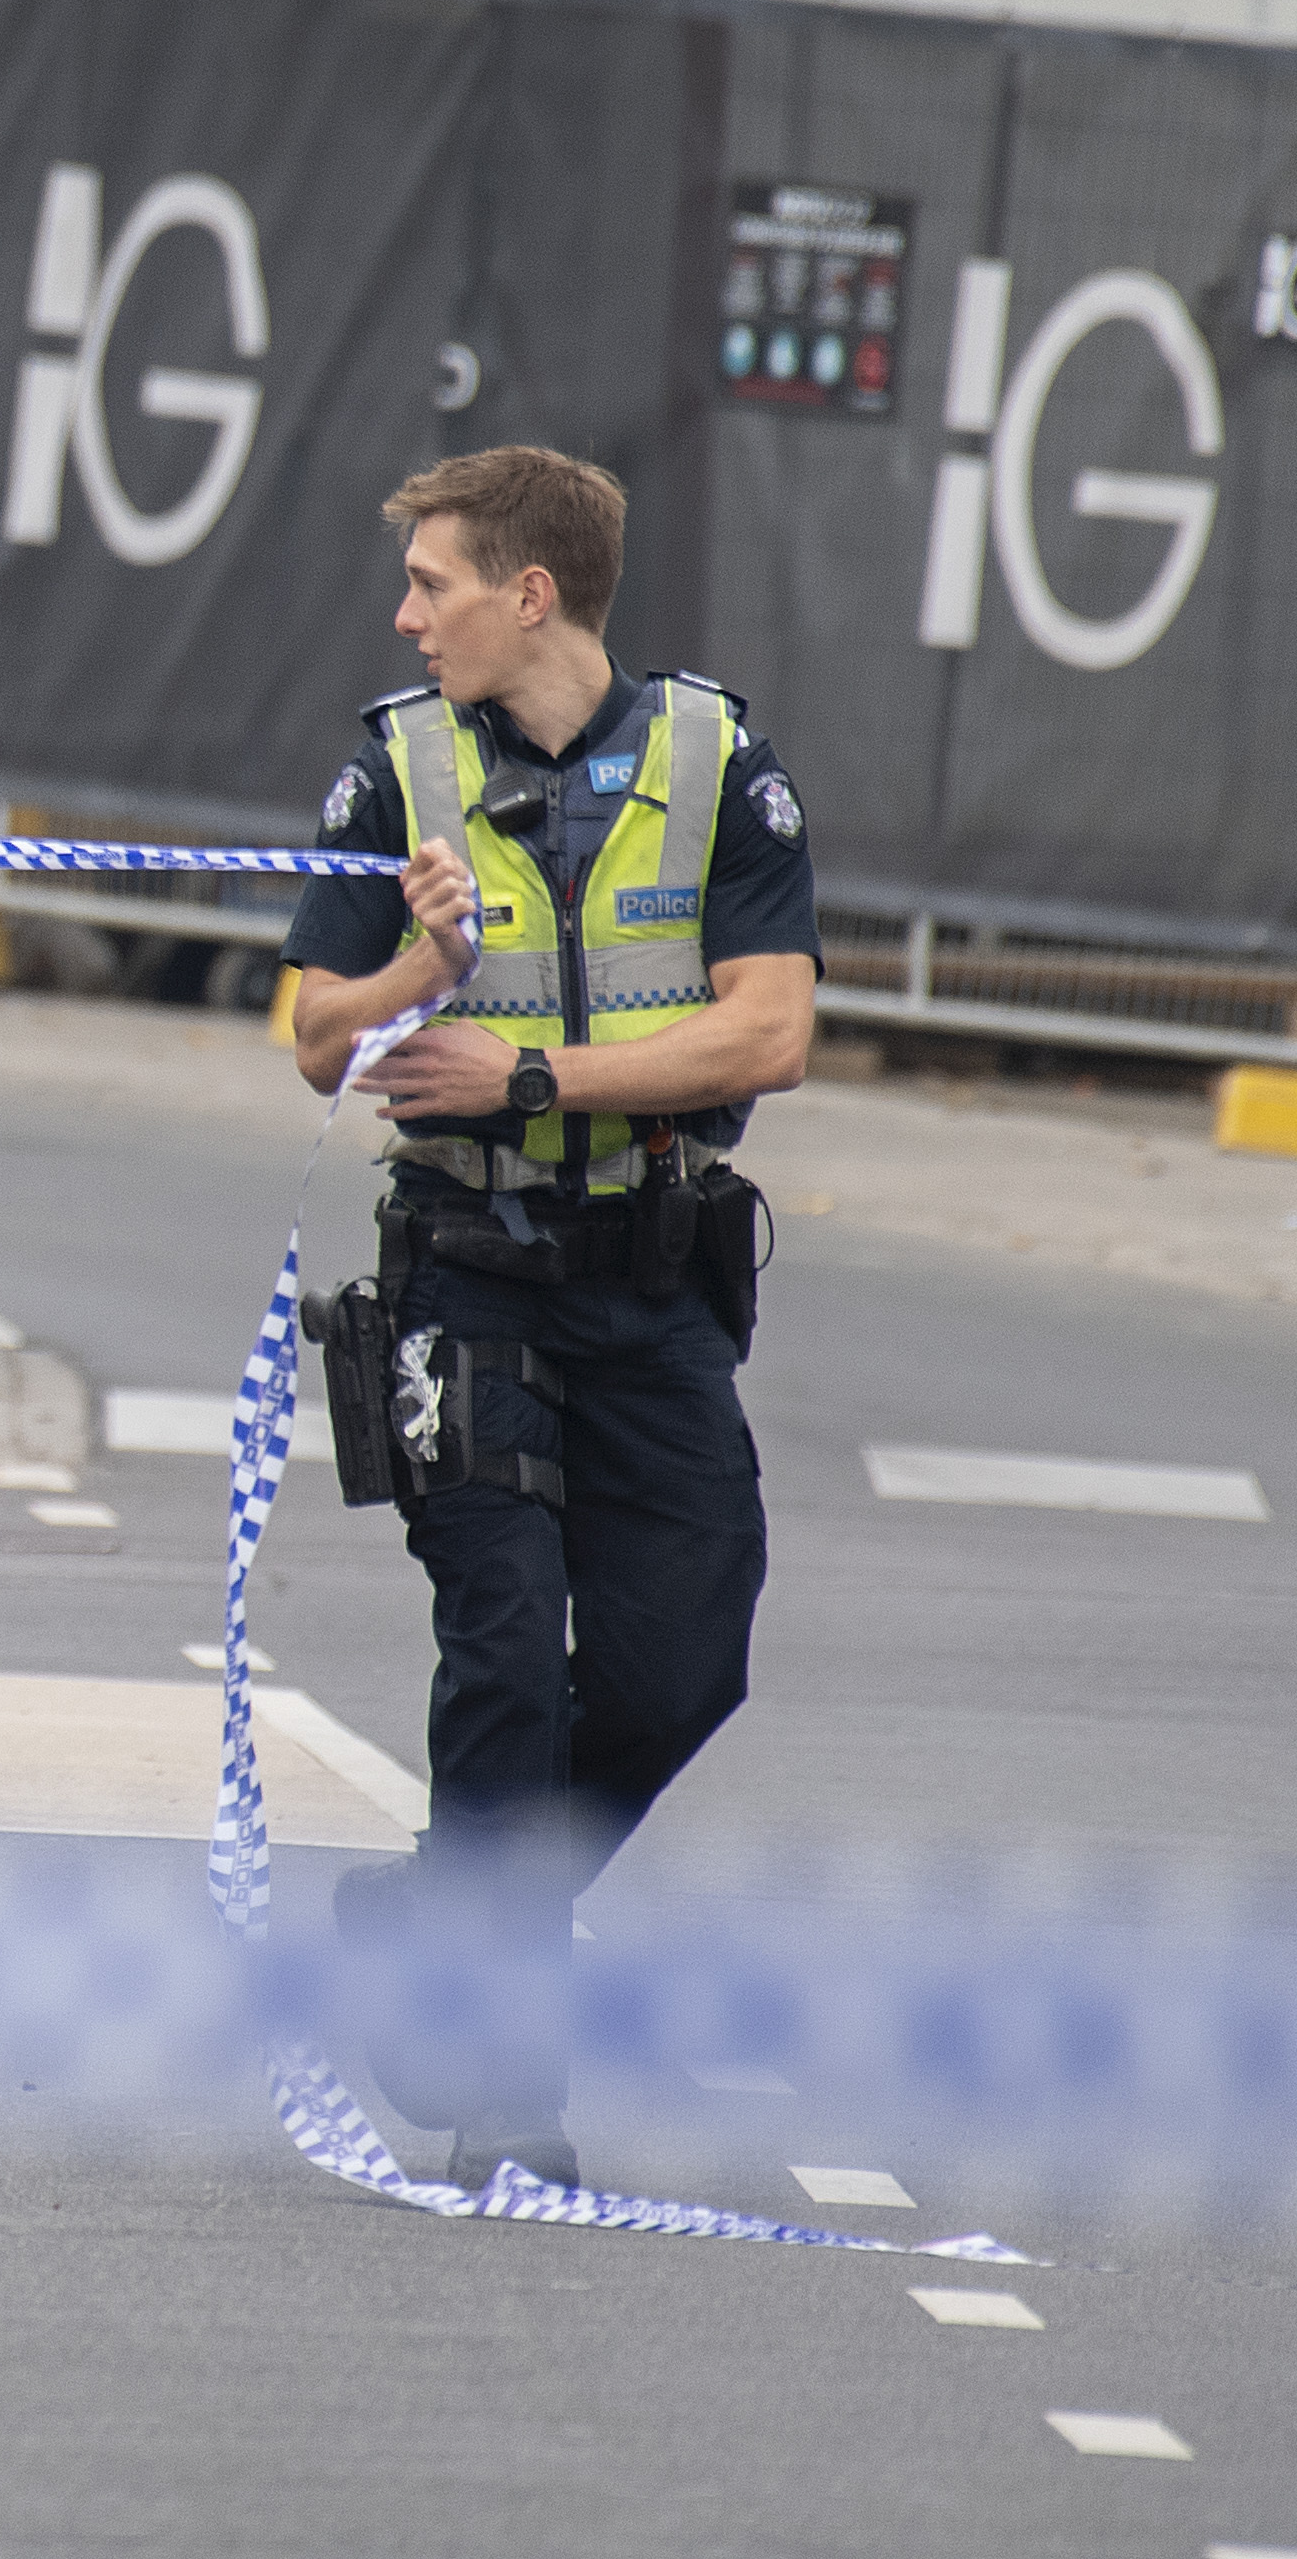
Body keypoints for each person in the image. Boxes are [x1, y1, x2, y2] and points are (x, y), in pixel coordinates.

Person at [276, 445, 819, 2194]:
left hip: (655, 1290)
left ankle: (435, 1918)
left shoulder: (720, 763)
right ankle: (508, 2088)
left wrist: (529, 1063)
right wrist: (415, 978)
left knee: (685, 1659)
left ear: (530, 594)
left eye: (432, 581)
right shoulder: (394, 768)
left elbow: (768, 1034)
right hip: (466, 1271)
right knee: (503, 1659)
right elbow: (314, 1033)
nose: (404, 611)